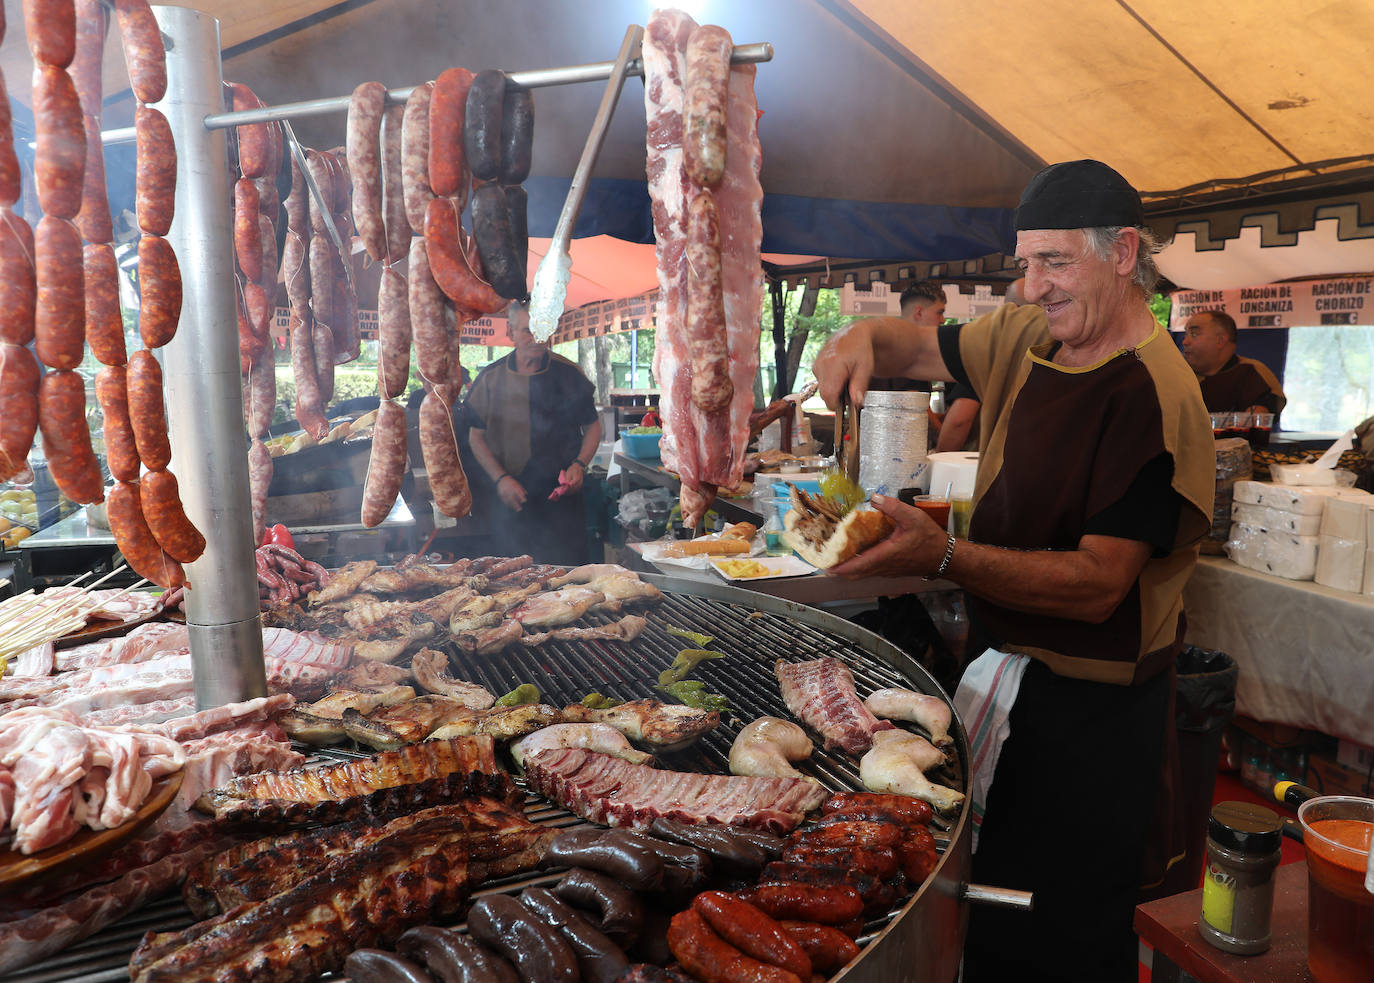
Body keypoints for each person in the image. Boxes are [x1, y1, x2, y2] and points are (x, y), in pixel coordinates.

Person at [812, 159, 1214, 982]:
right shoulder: (1034, 336)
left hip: (1091, 719)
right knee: (984, 915)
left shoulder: (1154, 395)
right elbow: (910, 345)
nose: (1030, 287)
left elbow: (1100, 582)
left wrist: (945, 557)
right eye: (1023, 262)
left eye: (1053, 262)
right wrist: (855, 340)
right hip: (1001, 677)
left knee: (1060, 937)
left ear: (1124, 252)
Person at [466, 302, 603, 565]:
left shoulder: (569, 374)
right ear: (511, 332)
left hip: (562, 500)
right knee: (510, 578)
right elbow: (475, 437)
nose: (536, 339)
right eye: (528, 331)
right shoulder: (491, 378)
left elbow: (593, 427)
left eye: (543, 330)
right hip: (509, 496)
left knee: (568, 578)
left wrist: (579, 464)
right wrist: (500, 478)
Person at [932, 279, 1027, 452]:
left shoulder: (993, 353)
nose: (943, 319)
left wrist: (940, 461)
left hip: (986, 458)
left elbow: (960, 420)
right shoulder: (1056, 351)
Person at [1181, 309, 1284, 415]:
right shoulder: (1178, 374)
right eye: (1185, 335)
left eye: (1194, 334)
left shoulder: (1250, 371)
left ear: (1220, 341)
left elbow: (1265, 411)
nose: (1185, 342)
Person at [868, 280, 947, 392]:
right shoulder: (906, 351)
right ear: (918, 313)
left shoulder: (885, 345)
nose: (943, 320)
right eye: (939, 313)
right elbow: (913, 407)